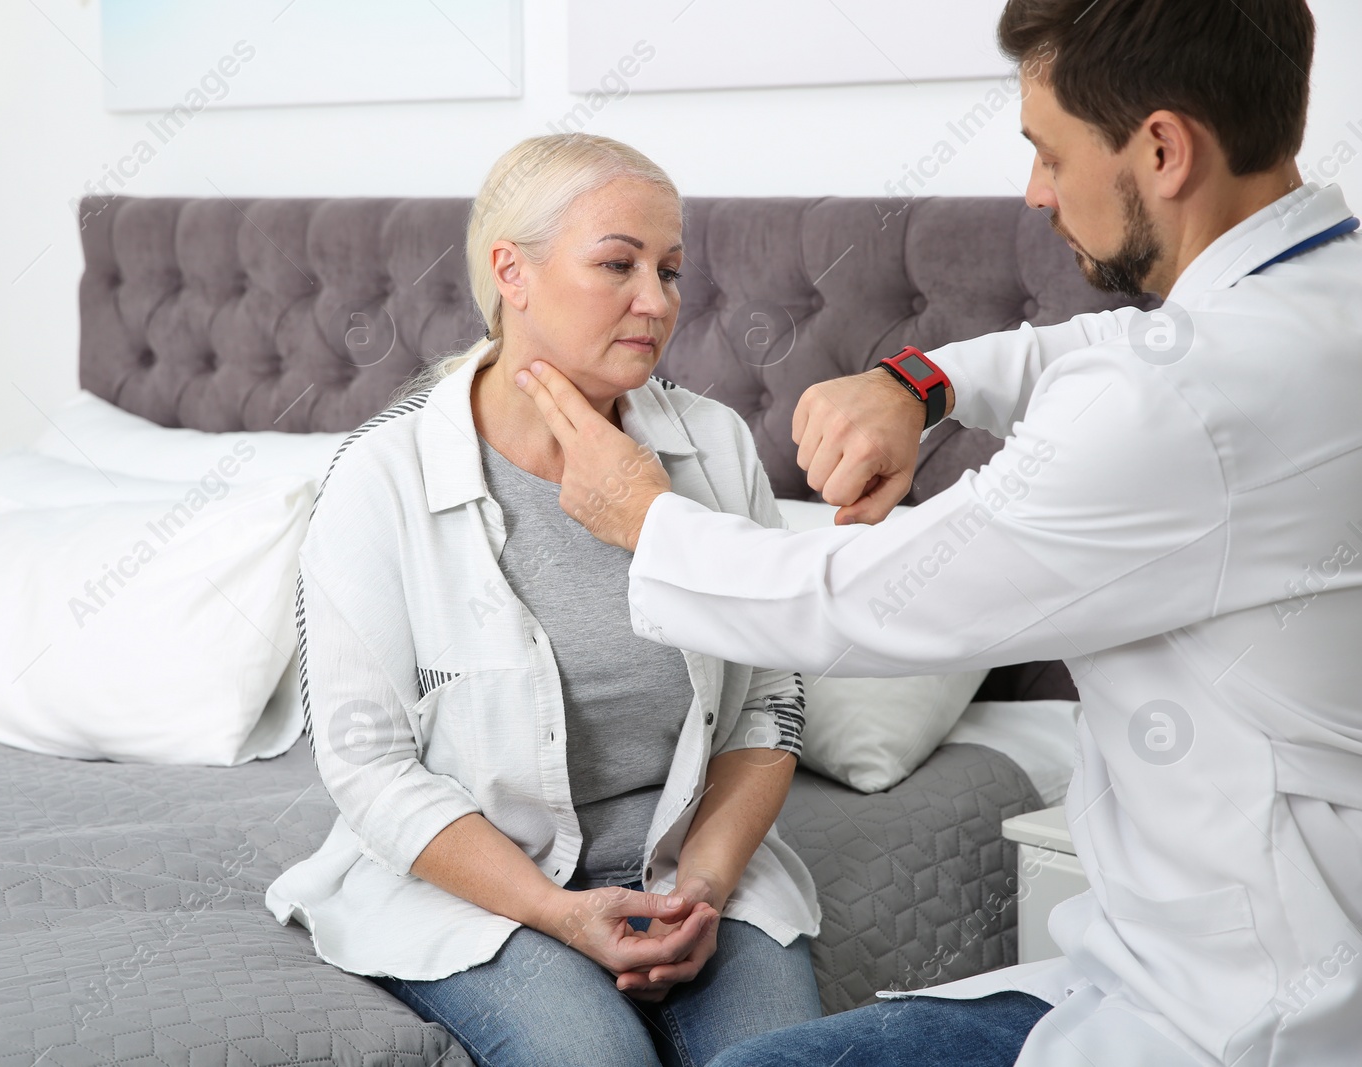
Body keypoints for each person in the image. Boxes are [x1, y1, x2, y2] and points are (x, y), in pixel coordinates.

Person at [514, 1, 1362, 1065]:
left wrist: (644, 516)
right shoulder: (1315, 296)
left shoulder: (1180, 405)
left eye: (1048, 153)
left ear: (1160, 148)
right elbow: (1114, 348)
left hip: (1231, 1020)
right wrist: (923, 379)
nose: (1035, 192)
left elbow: (865, 599)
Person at [263, 133, 824, 1067]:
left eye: (672, 270)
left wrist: (707, 888)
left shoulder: (715, 450)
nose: (658, 302)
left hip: (689, 865)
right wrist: (558, 913)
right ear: (510, 272)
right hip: (479, 887)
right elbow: (366, 763)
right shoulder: (381, 476)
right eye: (618, 264)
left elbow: (769, 699)